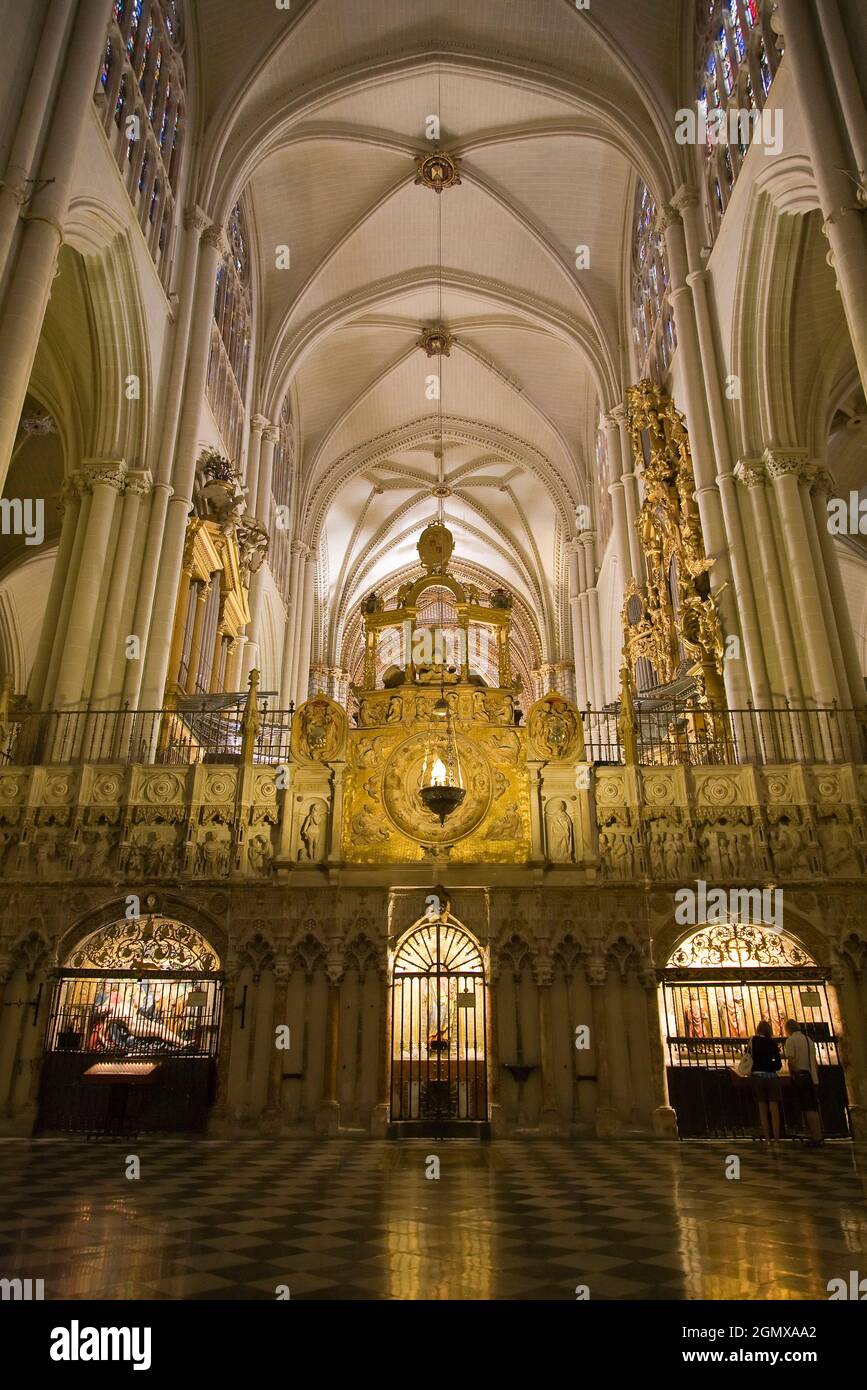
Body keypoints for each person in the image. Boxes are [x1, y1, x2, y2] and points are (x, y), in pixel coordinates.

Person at [784, 1019, 823, 1145]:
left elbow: (790, 1061)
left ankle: (815, 1137)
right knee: (814, 1107)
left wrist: (794, 1073)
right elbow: (815, 1062)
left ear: (787, 1029)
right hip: (811, 1076)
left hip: (801, 1076)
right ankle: (818, 1134)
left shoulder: (790, 1040)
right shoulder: (808, 1040)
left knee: (807, 1108)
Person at [750, 1018, 783, 1143]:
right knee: (774, 1108)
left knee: (762, 1108)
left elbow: (748, 1056)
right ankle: (776, 1137)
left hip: (758, 1076)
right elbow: (778, 1063)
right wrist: (771, 1067)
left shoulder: (753, 1041)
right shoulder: (772, 1043)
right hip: (771, 1076)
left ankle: (767, 1138)